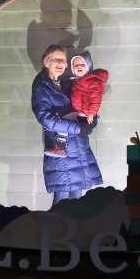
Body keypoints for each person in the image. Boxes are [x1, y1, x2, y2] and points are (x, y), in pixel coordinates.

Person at [31, 44, 102, 204]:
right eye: (56, 59)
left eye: (63, 59)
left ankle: (76, 229)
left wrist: (91, 120)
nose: (61, 63)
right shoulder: (41, 85)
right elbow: (46, 119)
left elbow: (84, 104)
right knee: (61, 200)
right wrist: (79, 128)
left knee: (77, 200)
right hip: (60, 147)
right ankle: (56, 229)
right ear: (46, 61)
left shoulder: (69, 82)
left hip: (78, 147)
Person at [70, 51, 109, 125]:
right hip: (78, 112)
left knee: (79, 131)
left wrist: (91, 113)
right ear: (73, 70)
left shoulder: (92, 81)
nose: (79, 66)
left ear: (89, 66)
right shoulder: (75, 81)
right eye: (76, 65)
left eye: (83, 64)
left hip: (86, 114)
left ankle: (62, 135)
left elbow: (96, 98)